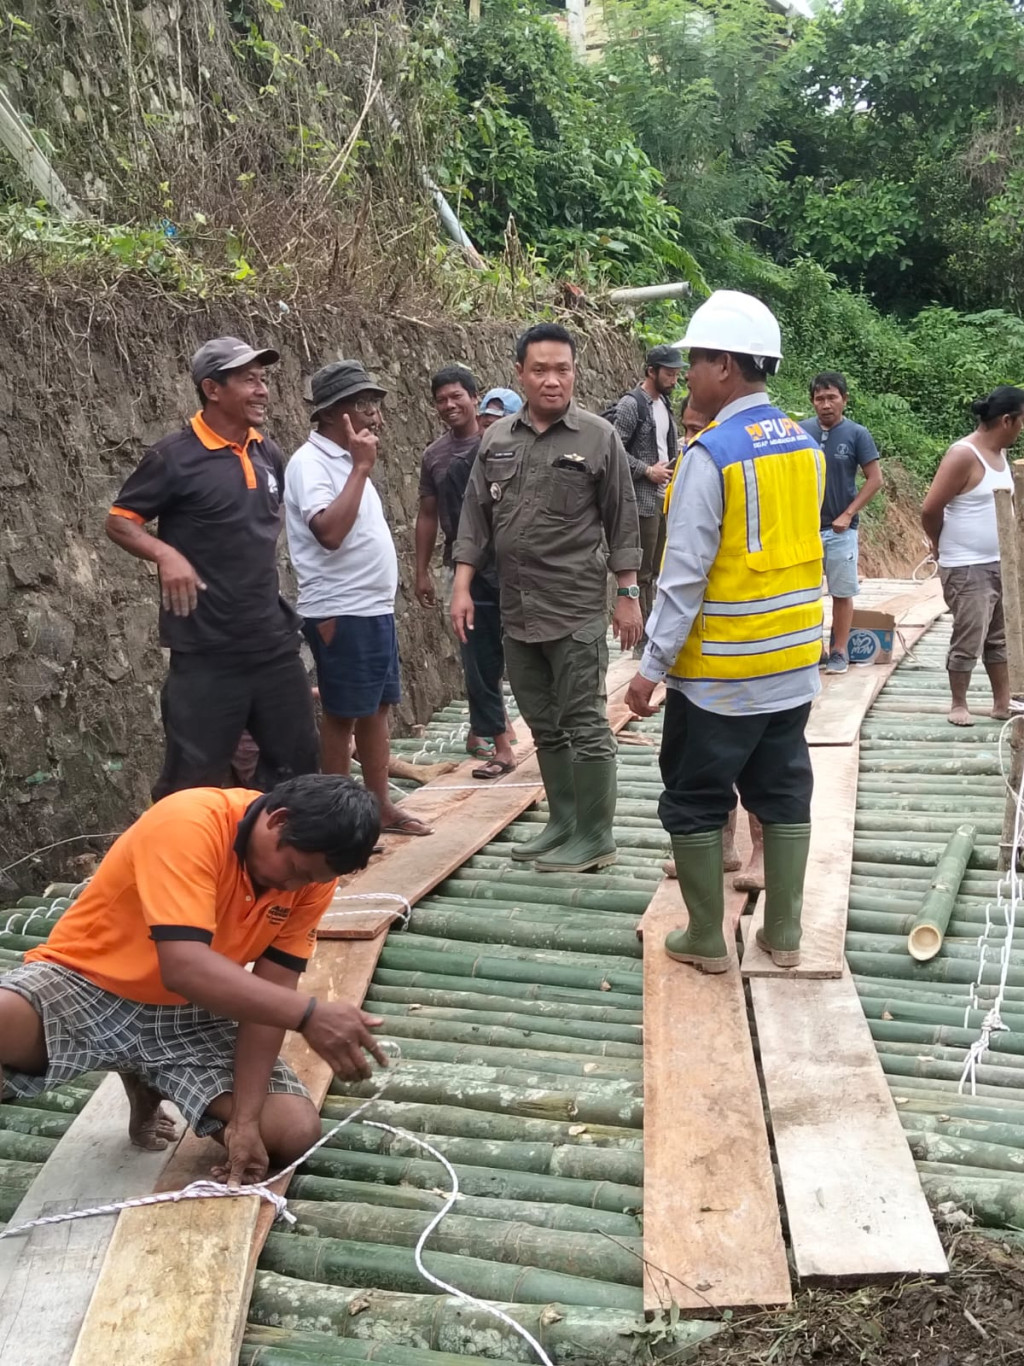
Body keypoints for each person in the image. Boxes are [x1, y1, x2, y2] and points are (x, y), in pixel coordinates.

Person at [0, 775, 385, 1184]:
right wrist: (309, 1016)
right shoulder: (190, 823)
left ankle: (149, 1077)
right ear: (278, 820)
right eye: (294, 869)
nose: (294, 886)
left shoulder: (311, 882)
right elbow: (183, 966)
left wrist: (245, 1121)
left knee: (291, 1133)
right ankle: (137, 1069)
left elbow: (270, 1000)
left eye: (310, 879)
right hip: (86, 984)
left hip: (192, 1013)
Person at [625, 291, 825, 971]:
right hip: (794, 664)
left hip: (721, 677)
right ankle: (785, 935)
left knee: (694, 798)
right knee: (785, 789)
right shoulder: (805, 443)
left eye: (697, 361)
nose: (688, 375)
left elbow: (683, 576)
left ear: (726, 368)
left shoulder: (711, 456)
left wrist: (650, 669)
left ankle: (708, 938)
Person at [452, 322, 642, 874]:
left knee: (584, 721)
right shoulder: (496, 440)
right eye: (540, 370)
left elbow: (622, 520)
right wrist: (462, 585)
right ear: (520, 374)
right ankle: (562, 821)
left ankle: (596, 836)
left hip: (576, 606)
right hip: (517, 609)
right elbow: (473, 519)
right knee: (541, 719)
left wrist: (627, 595)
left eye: (562, 369)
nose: (552, 380)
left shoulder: (597, 436)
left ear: (574, 372)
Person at [106, 337, 319, 801]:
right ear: (212, 389)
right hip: (206, 652)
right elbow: (120, 522)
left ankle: (284, 869)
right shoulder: (174, 457)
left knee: (297, 767)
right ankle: (183, 866)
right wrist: (167, 554)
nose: (262, 390)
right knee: (192, 781)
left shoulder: (268, 453)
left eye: (264, 380)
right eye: (248, 380)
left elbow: (264, 522)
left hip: (272, 644)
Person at [284, 361, 431, 838]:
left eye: (377, 406)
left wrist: (359, 467)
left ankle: (379, 806)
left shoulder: (347, 462)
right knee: (343, 714)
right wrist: (363, 468)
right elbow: (327, 532)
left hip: (372, 609)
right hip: (340, 610)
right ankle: (334, 821)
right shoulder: (311, 464)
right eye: (365, 406)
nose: (377, 418)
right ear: (332, 413)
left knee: (377, 709)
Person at [667, 393, 765, 891]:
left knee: (757, 760)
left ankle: (761, 855)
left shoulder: (731, 460)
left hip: (744, 641)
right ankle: (722, 848)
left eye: (696, 426)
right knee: (708, 760)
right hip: (699, 645)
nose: (690, 437)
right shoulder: (694, 461)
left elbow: (689, 569)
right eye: (685, 429)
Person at [415, 368, 518, 776]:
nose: (449, 405)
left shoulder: (503, 442)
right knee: (476, 656)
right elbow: (427, 514)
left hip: (511, 565)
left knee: (524, 651)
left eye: (457, 396)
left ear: (475, 397)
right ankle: (501, 747)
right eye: (441, 399)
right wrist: (420, 570)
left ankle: (541, 737)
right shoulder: (434, 456)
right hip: (464, 571)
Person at [921, 386, 1024, 726]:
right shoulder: (963, 455)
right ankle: (958, 704)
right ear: (1006, 420)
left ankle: (1001, 701)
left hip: (999, 562)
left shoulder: (1001, 454)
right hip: (966, 565)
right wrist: (938, 544)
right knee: (969, 635)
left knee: (1000, 636)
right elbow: (931, 509)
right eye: (1021, 421)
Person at [800, 372, 882, 674]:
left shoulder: (857, 434)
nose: (826, 404)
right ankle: (814, 649)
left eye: (832, 397)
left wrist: (848, 514)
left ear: (844, 400)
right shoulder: (800, 431)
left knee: (842, 591)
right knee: (806, 593)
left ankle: (839, 650)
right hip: (804, 529)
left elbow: (875, 480)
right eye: (820, 398)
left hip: (840, 530)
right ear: (812, 401)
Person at [611, 345, 683, 632]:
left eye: (677, 374)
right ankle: (642, 633)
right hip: (642, 500)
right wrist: (647, 470)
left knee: (657, 567)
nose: (674, 380)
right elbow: (613, 449)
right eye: (669, 373)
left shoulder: (664, 404)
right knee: (642, 571)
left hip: (664, 498)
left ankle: (651, 626)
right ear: (651, 371)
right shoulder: (632, 405)